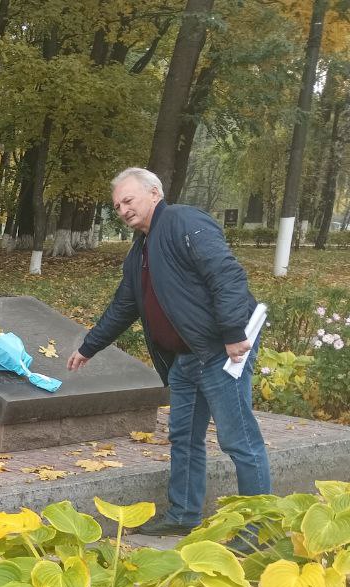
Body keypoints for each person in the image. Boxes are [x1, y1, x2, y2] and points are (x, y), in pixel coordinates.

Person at [66, 167, 270, 539]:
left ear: (154, 193)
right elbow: (125, 305)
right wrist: (88, 346)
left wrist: (232, 332)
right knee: (183, 438)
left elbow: (226, 275)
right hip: (185, 360)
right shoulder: (140, 251)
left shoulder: (183, 222)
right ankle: (183, 515)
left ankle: (259, 529)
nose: (123, 210)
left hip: (219, 352)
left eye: (128, 200)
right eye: (117, 206)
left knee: (239, 440)